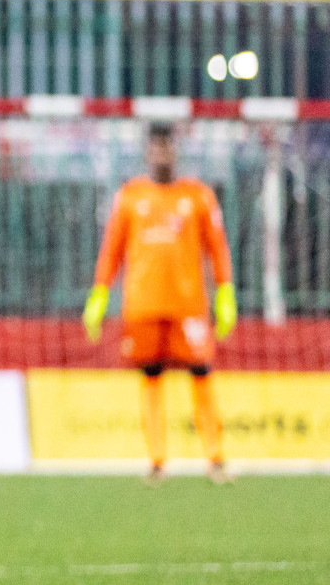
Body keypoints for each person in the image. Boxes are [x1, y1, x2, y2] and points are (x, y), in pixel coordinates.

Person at [83, 122, 237, 485]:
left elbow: (218, 247)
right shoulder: (130, 196)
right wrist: (100, 292)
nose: (162, 154)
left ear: (176, 151)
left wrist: (225, 291)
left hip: (189, 306)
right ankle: (156, 461)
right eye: (156, 148)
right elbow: (112, 248)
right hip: (143, 305)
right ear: (147, 152)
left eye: (168, 147)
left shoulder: (198, 196)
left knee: (201, 373)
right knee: (151, 377)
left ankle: (215, 459)